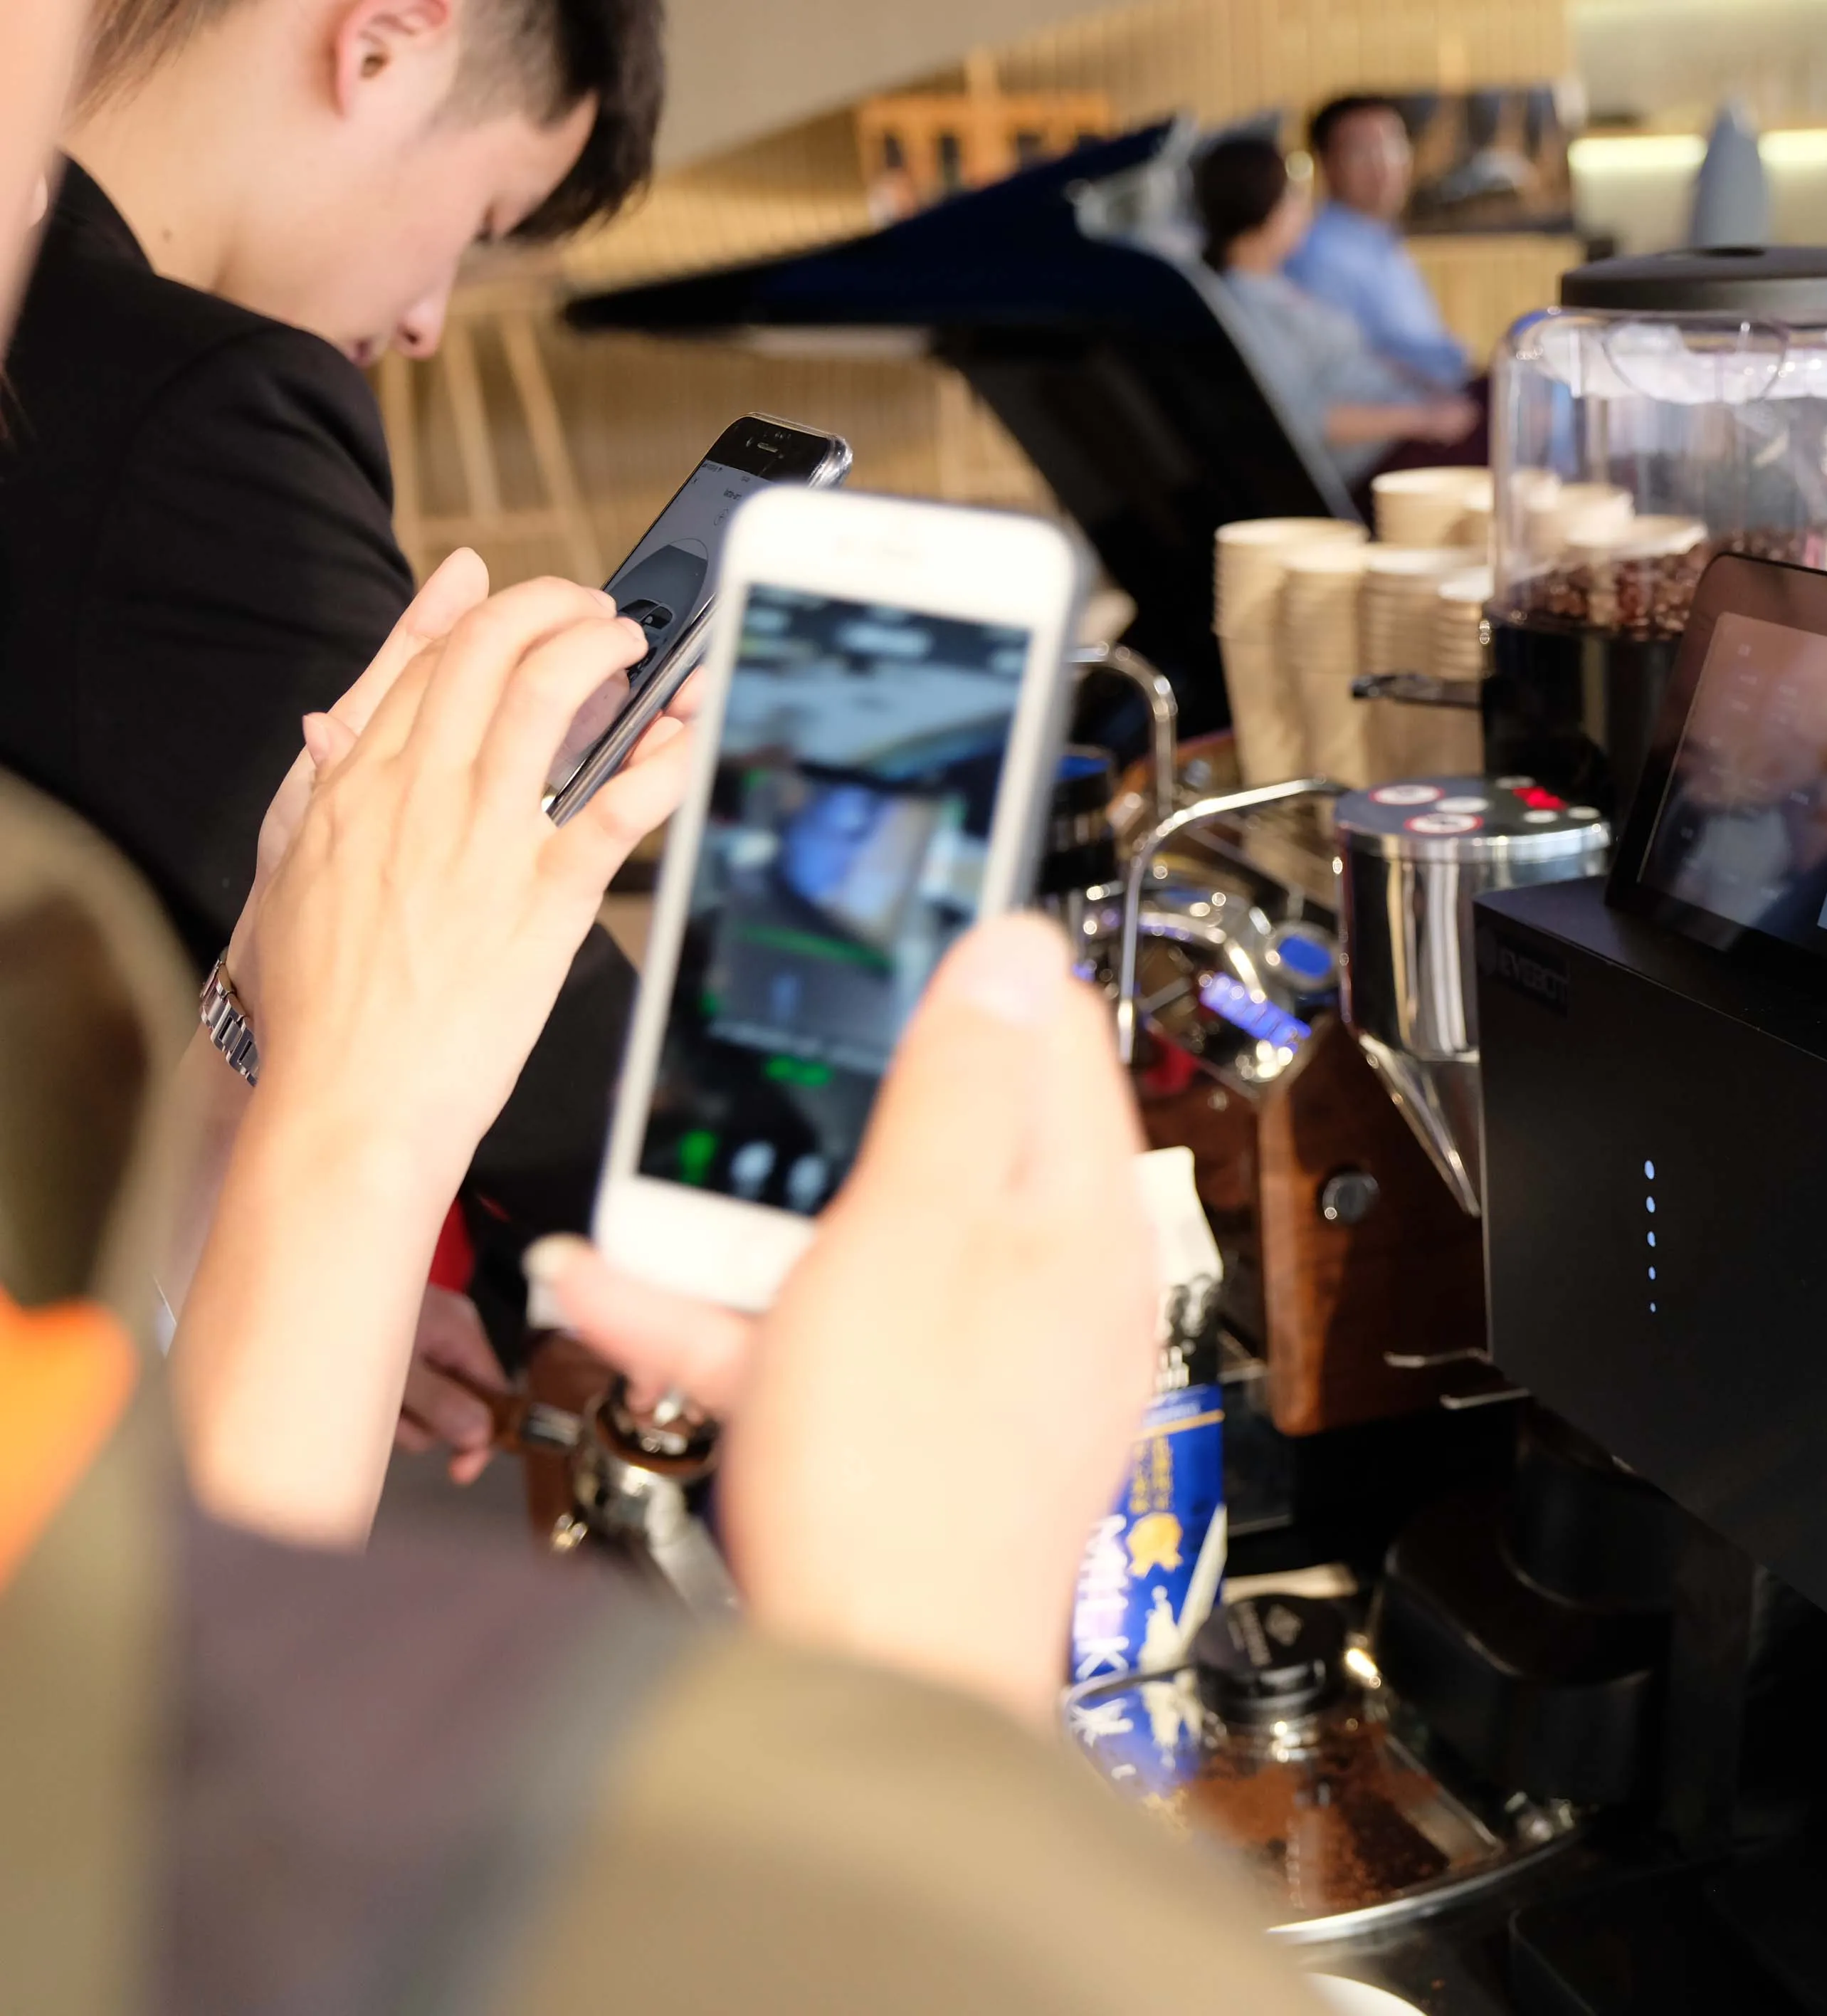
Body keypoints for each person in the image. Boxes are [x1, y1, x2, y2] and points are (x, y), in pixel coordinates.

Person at [0, 14, 1327, 2000]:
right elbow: (159, 1850)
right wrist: (920, 1658)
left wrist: (270, 1077)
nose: (48, 209)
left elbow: (99, 1606)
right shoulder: (187, 394)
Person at [0, 0, 670, 1470]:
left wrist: (275, 1281)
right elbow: (567, 1091)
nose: (429, 319)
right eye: (483, 221)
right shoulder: (189, 404)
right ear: (382, 41)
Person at [1194, 134, 1477, 484]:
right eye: (1292, 195)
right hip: (1377, 461)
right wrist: (1425, 419)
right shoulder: (1244, 304)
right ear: (1260, 205)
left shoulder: (1275, 283)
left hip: (1413, 418)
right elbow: (1300, 419)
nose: (1304, 208)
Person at [1285, 93, 1471, 392]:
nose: (1382, 165)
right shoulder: (1318, 256)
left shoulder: (1381, 241)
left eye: (1393, 147)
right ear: (1325, 163)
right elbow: (1340, 373)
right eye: (1362, 152)